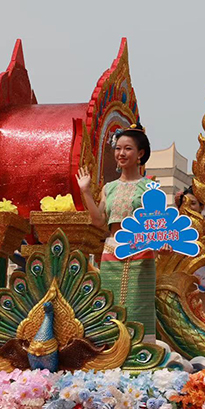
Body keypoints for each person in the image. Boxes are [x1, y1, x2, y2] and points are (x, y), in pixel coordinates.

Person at [76, 122, 162, 342]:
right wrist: (85, 191)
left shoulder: (150, 187)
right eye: (118, 148)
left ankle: (141, 352)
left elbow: (157, 224)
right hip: (112, 249)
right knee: (110, 303)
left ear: (140, 153)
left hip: (140, 252)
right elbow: (98, 220)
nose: (121, 153)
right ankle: (109, 351)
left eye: (128, 148)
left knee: (137, 305)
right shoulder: (109, 188)